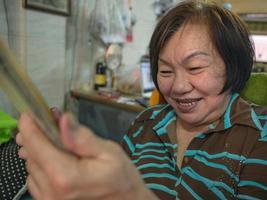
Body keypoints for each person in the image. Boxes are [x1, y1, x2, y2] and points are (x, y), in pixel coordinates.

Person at [16, 0, 267, 199]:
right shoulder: (147, 122)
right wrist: (78, 167)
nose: (178, 87)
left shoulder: (259, 134)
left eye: (195, 68)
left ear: (233, 66)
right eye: (166, 71)